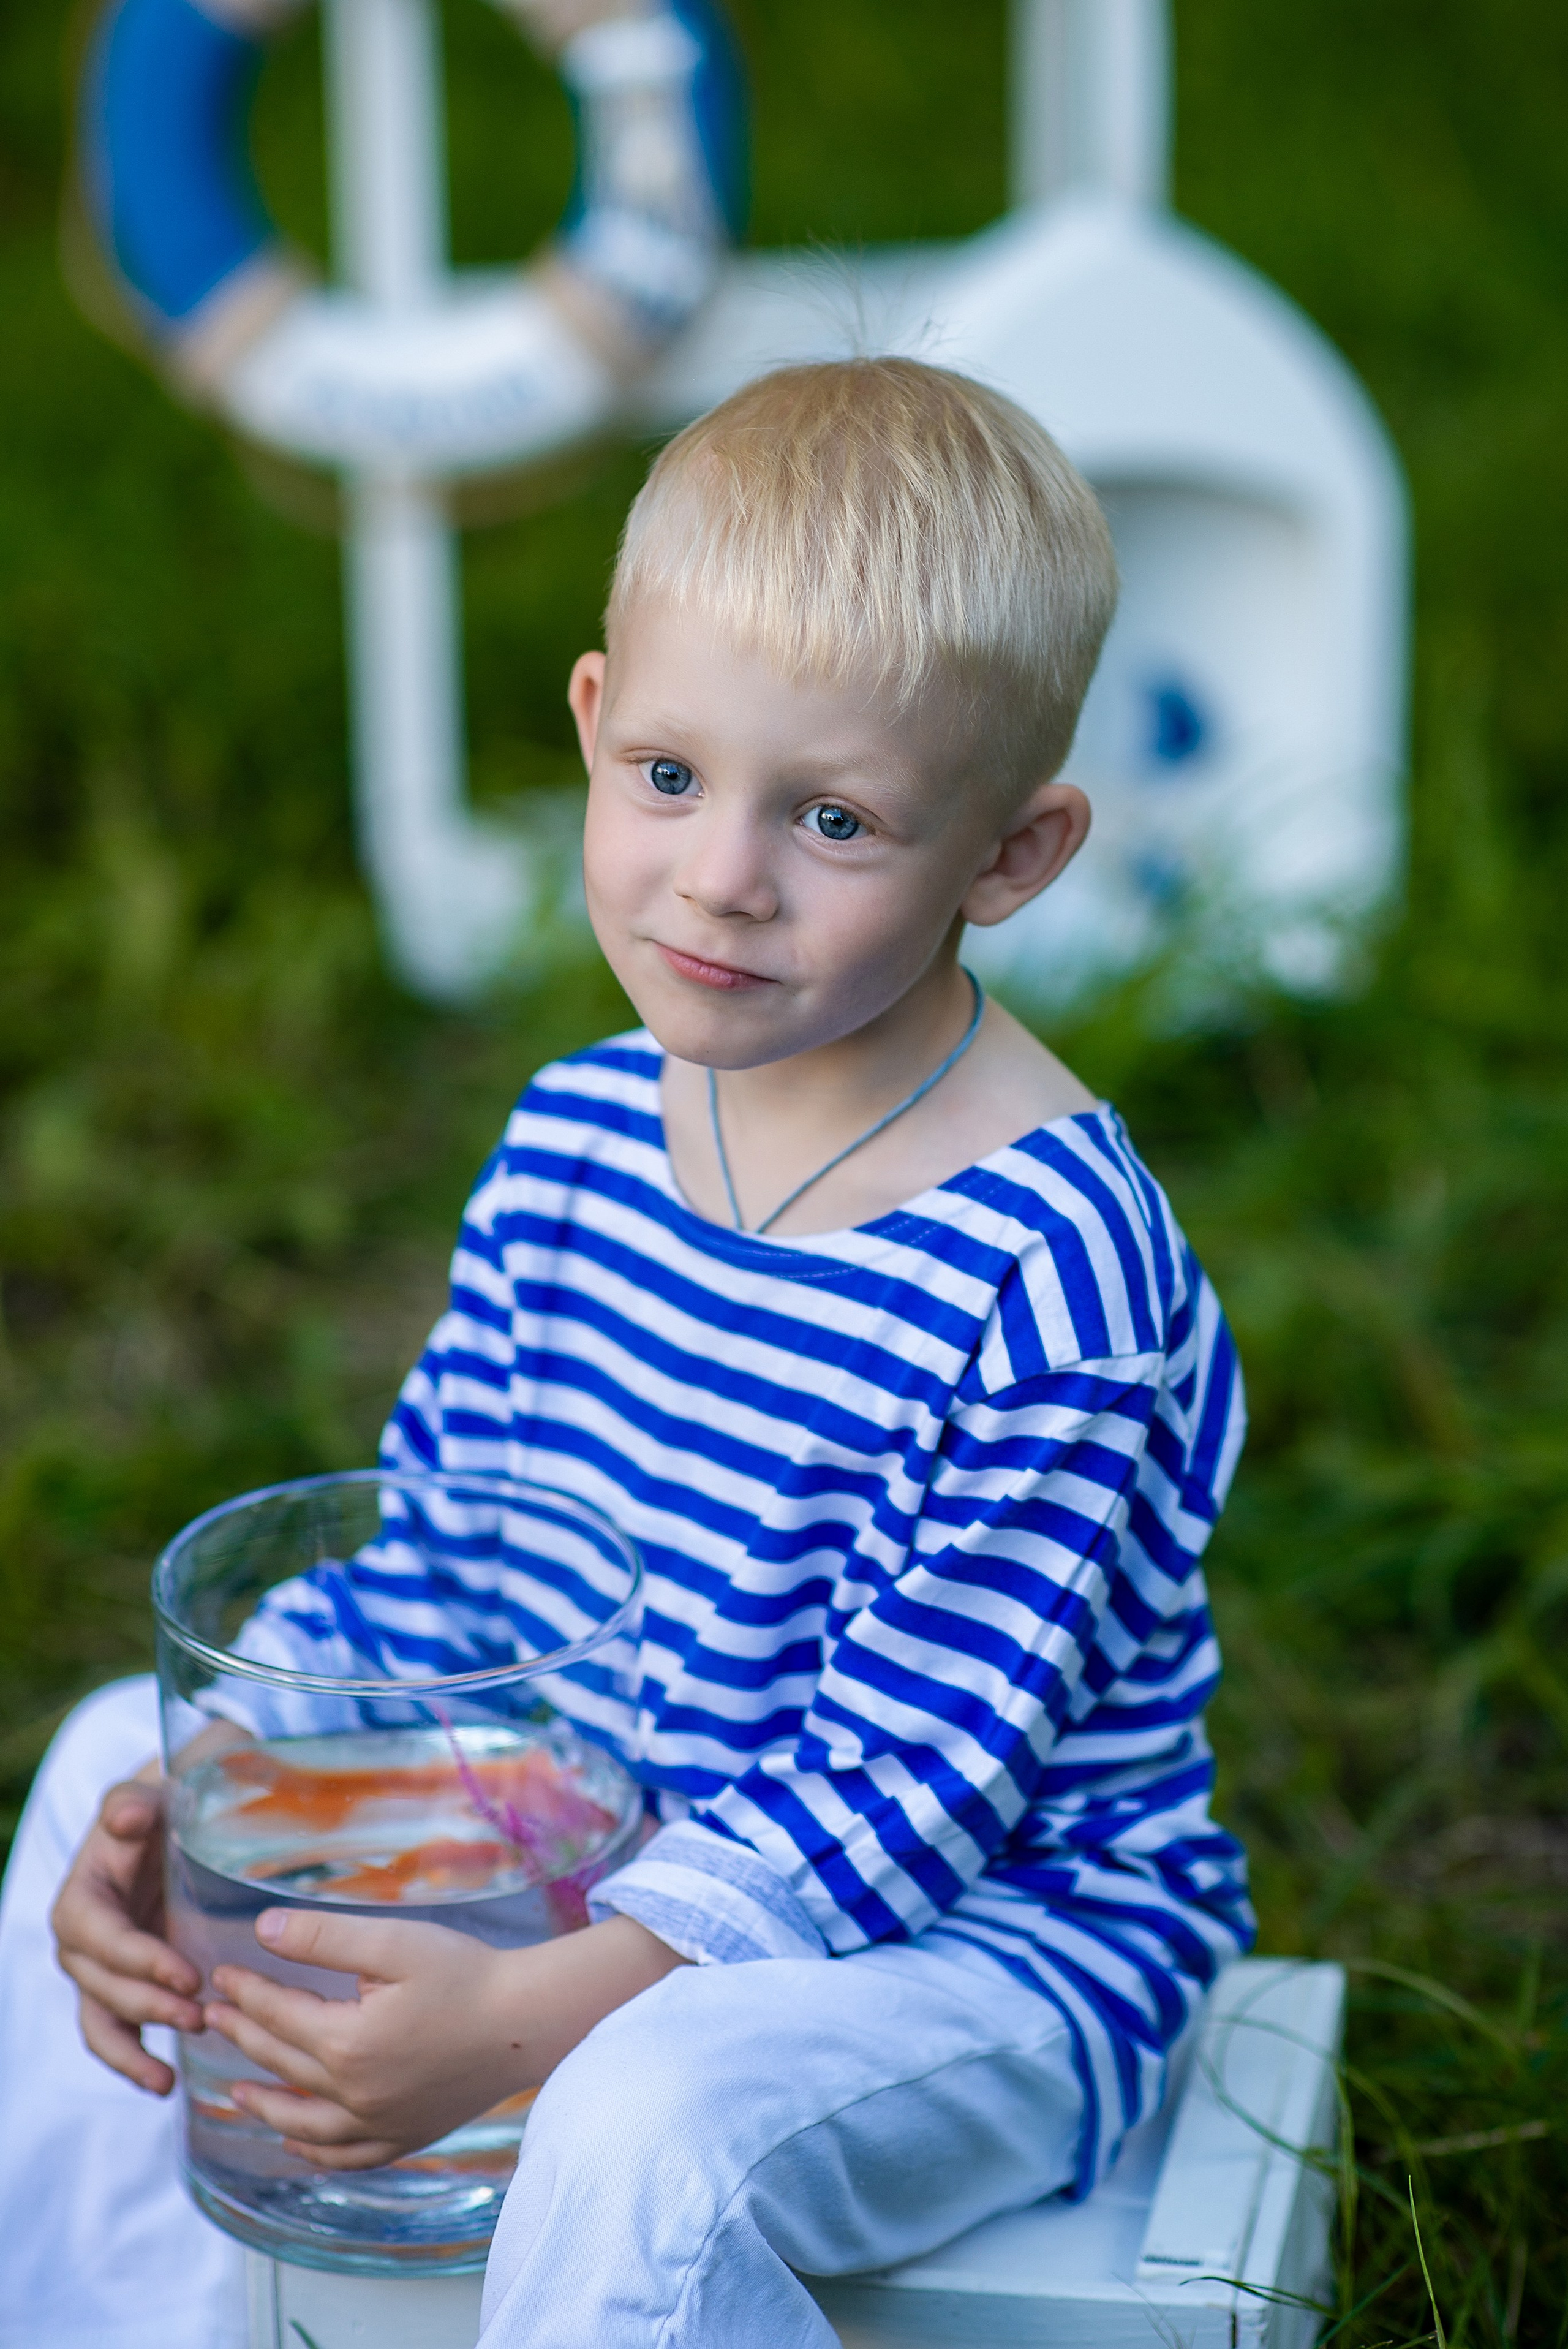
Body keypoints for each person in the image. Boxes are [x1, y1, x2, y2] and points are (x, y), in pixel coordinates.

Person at [4, 357, 1253, 2349]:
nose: (721, 875)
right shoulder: (586, 1132)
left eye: (833, 816)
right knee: (99, 1767)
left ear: (1011, 857)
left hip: (985, 1947)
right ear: (593, 723)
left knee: (638, 2115)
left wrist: (519, 2016)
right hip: (588, 1822)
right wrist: (224, 1762)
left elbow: (904, 1795)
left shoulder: (1052, 1265)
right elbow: (448, 1568)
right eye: (670, 775)